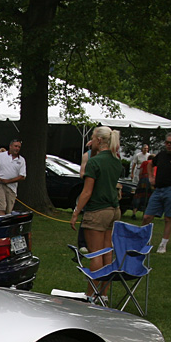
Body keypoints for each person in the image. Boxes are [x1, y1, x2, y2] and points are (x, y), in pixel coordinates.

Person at [70, 126, 126, 300]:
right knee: (107, 252)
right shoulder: (116, 161)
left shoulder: (94, 162)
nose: (91, 141)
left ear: (99, 140)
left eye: (93, 138)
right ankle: (104, 293)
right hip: (114, 209)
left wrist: (76, 212)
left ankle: (90, 293)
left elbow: (87, 192)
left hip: (97, 210)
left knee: (96, 253)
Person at [0, 139, 26, 215]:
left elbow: (22, 176)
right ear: (10, 146)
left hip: (12, 188)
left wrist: (8, 181)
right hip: (0, 185)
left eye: (19, 147)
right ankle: (2, 222)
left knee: (8, 210)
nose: (17, 148)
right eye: (15, 146)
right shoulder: (1, 156)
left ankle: (6, 223)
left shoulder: (21, 160)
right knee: (2, 207)